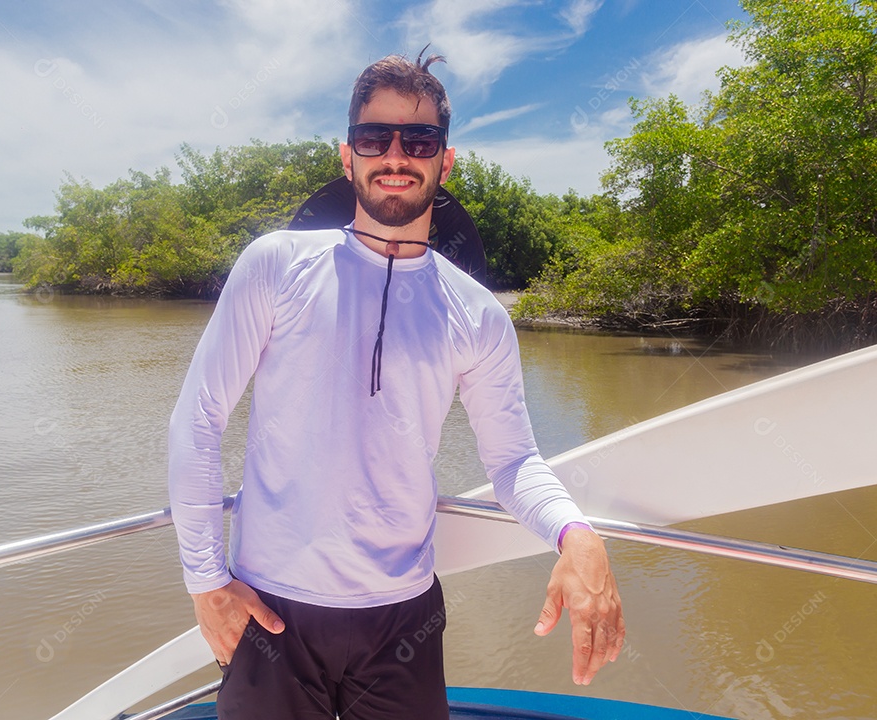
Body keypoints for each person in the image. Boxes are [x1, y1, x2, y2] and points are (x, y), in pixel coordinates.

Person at [168, 50, 624, 720]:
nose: (395, 155)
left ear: (446, 160)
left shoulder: (478, 315)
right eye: (373, 138)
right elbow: (198, 419)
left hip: (402, 621)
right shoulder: (275, 266)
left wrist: (577, 535)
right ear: (346, 156)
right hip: (271, 612)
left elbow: (515, 462)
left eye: (419, 140)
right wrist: (206, 580)